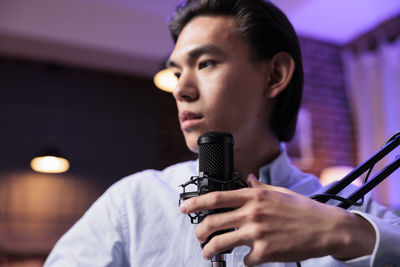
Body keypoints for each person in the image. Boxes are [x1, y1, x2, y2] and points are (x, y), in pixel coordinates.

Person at [45, 0, 400, 266]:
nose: (180, 89)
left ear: (275, 75)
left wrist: (346, 233)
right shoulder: (132, 203)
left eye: (205, 64)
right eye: (176, 71)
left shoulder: (354, 215)